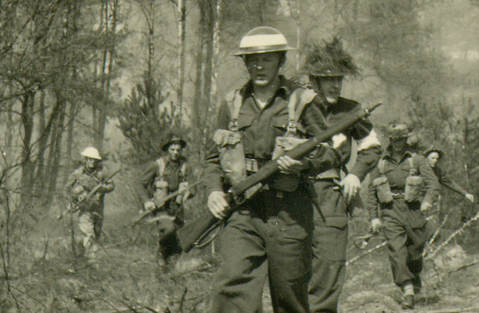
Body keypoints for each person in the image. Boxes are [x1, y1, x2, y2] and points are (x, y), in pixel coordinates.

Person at [202, 25, 338, 313]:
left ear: (280, 62)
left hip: (288, 213)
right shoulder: (232, 103)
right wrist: (214, 191)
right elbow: (213, 158)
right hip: (243, 211)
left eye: (267, 59)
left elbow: (330, 154)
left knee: (289, 295)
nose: (259, 66)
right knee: (232, 286)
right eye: (252, 60)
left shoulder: (303, 101)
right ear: (245, 63)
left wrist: (304, 164)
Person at [300, 37, 383, 313]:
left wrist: (356, 175)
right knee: (291, 270)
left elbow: (372, 147)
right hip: (292, 196)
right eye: (327, 79)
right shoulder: (296, 107)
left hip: (330, 197)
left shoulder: (351, 110)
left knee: (329, 265)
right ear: (314, 80)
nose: (335, 84)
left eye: (339, 78)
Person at [367, 123, 439, 309]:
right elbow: (371, 191)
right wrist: (374, 217)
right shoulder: (381, 162)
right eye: (394, 139)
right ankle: (407, 291)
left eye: (401, 139)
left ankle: (414, 278)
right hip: (390, 211)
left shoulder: (417, 160)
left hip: (414, 210)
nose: (398, 143)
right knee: (397, 252)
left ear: (406, 139)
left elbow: (433, 183)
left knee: (415, 252)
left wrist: (427, 201)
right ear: (390, 140)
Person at [139, 136, 190, 266]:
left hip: (177, 208)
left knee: (178, 239)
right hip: (161, 208)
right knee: (168, 230)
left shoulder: (185, 166)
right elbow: (141, 184)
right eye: (172, 149)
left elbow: (193, 187)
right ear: (167, 150)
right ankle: (161, 255)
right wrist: (146, 201)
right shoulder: (158, 165)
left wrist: (187, 193)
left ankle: (170, 269)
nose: (175, 153)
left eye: (178, 150)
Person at [67, 146, 115, 260]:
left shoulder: (101, 173)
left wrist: (101, 188)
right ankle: (90, 261)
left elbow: (111, 185)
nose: (91, 162)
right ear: (85, 159)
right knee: (88, 234)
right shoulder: (77, 173)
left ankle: (84, 255)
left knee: (96, 234)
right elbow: (67, 189)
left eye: (93, 159)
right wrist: (76, 195)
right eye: (89, 159)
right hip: (84, 209)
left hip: (98, 209)